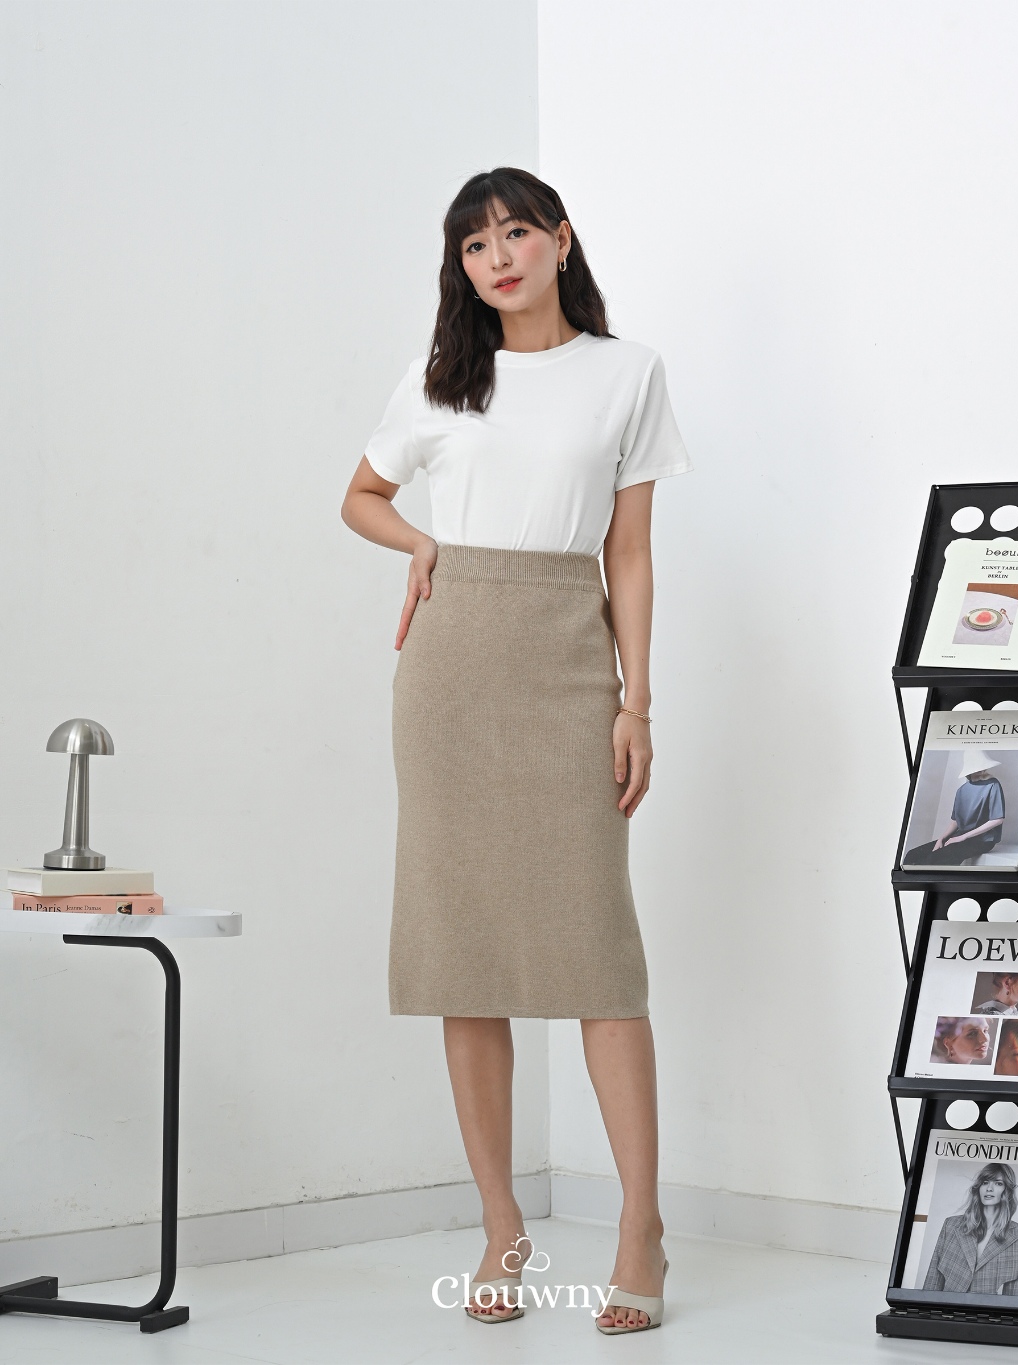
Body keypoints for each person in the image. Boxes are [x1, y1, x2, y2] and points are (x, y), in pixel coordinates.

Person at [341, 167, 692, 1335]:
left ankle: (639, 1226)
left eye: (516, 234)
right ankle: (501, 1227)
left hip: (566, 660)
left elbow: (628, 553)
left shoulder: (626, 373)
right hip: (450, 674)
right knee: (468, 957)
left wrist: (637, 702)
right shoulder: (440, 377)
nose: (497, 257)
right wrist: (420, 545)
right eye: (474, 244)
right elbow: (360, 495)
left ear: (560, 241)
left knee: (599, 959)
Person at [923, 1164, 1018, 1294]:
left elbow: (1015, 1295)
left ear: (1007, 1190)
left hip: (988, 1307)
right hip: (947, 1306)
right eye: (985, 1182)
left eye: (998, 1183)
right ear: (979, 1187)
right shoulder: (951, 1225)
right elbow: (933, 1280)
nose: (989, 1188)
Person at [903, 753, 1006, 867]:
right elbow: (956, 821)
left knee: (935, 859)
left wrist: (962, 837)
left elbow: (997, 819)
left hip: (983, 840)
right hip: (960, 837)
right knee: (912, 855)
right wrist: (942, 839)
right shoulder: (961, 790)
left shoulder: (993, 784)